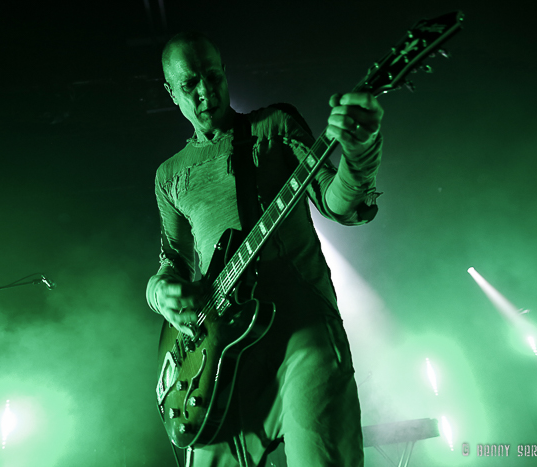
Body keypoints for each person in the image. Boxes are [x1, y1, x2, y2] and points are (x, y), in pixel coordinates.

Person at [146, 31, 384, 467]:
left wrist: (359, 151)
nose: (205, 92)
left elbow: (338, 203)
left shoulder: (274, 125)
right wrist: (160, 294)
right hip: (219, 352)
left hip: (301, 328)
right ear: (170, 93)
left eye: (213, 76)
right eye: (190, 84)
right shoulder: (169, 176)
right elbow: (173, 266)